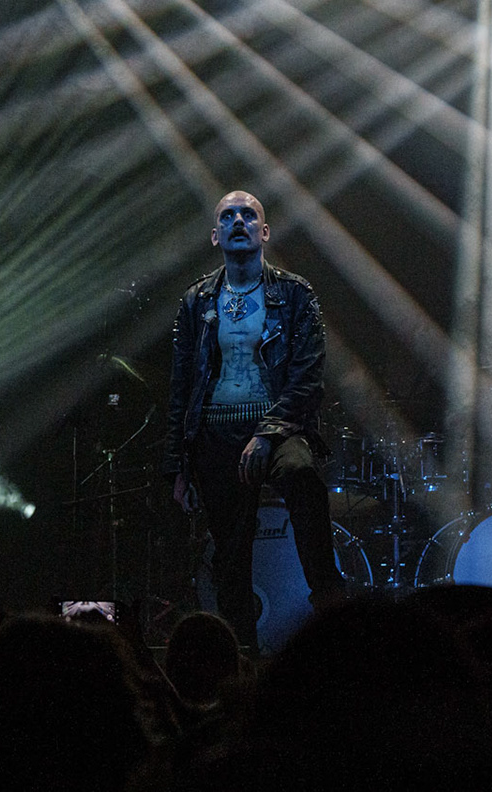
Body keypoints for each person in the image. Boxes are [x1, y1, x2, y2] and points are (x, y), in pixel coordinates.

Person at [166, 191, 342, 651]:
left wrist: (267, 434)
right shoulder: (196, 300)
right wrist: (178, 465)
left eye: (248, 215)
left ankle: (334, 614)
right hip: (215, 431)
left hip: (277, 427)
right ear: (215, 235)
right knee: (230, 557)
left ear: (264, 232)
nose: (238, 221)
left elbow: (308, 376)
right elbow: (181, 386)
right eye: (228, 216)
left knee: (301, 475)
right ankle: (240, 660)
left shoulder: (295, 293)